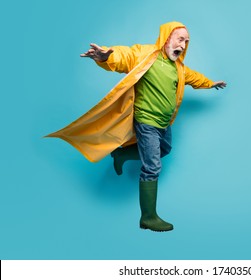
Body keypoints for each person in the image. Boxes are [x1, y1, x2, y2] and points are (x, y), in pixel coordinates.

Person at [46, 21, 227, 232]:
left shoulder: (178, 68)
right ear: (167, 37)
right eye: (180, 39)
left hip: (164, 123)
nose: (184, 45)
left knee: (165, 150)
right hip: (147, 122)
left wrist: (210, 83)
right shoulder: (146, 55)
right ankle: (148, 217)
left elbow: (193, 77)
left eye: (187, 41)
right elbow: (125, 56)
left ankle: (121, 155)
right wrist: (107, 57)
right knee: (152, 167)